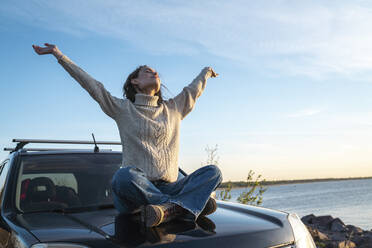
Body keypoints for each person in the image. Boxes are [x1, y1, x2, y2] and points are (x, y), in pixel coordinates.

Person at [32, 43, 223, 227]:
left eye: (155, 71)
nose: (154, 72)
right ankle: (182, 206)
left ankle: (169, 209)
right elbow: (92, 86)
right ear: (135, 81)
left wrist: (206, 71)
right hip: (135, 193)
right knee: (123, 176)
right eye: (147, 71)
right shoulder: (123, 109)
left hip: (169, 186)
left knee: (213, 172)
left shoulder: (173, 109)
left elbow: (193, 89)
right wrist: (59, 55)